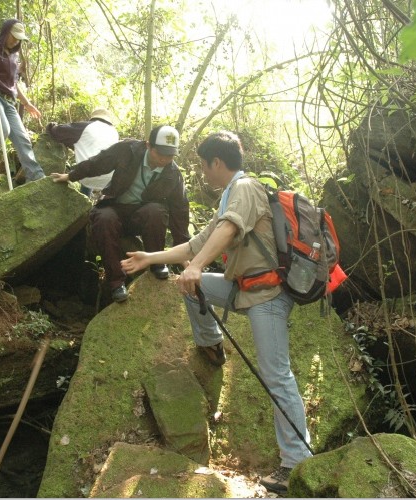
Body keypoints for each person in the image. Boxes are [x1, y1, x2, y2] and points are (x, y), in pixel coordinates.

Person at [120, 131, 312, 493]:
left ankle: (297, 460)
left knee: (276, 376)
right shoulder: (229, 196)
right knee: (193, 289)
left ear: (217, 163)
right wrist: (150, 257)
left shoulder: (246, 189)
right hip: (245, 288)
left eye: (203, 165)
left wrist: (198, 266)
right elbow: (197, 244)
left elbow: (226, 230)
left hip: (267, 295)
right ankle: (212, 343)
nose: (202, 172)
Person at [51, 125, 190, 303]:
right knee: (103, 217)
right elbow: (99, 162)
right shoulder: (128, 149)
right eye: (160, 153)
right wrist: (71, 176)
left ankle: (157, 264)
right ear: (148, 145)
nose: (164, 159)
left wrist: (184, 255)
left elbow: (180, 213)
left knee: (156, 210)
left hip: (140, 215)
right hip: (114, 206)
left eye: (170, 155)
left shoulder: (173, 174)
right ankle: (116, 282)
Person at [0, 19, 45, 179]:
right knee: (3, 128)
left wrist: (26, 103)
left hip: (9, 101)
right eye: (14, 36)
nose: (16, 40)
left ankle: (36, 176)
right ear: (5, 33)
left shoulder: (14, 57)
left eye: (19, 38)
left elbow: (14, 84)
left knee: (22, 137)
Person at [46, 108, 119, 197]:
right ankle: (86, 200)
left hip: (86, 175)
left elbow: (56, 131)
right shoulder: (114, 132)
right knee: (92, 162)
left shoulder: (86, 127)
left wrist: (52, 125)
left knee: (88, 167)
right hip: (111, 180)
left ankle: (83, 200)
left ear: (93, 118)